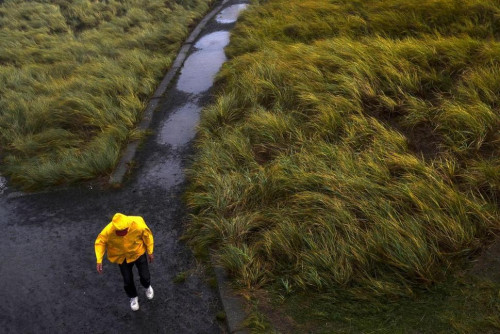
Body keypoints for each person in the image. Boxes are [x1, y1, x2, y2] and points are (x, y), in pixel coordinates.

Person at [95, 213, 155, 311]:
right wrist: (99, 260)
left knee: (145, 275)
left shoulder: (138, 224)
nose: (122, 233)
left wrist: (150, 251)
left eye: (124, 231)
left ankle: (147, 286)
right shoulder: (108, 231)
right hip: (122, 258)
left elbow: (148, 236)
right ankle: (133, 297)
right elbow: (100, 243)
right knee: (127, 280)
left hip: (138, 252)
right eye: (119, 232)